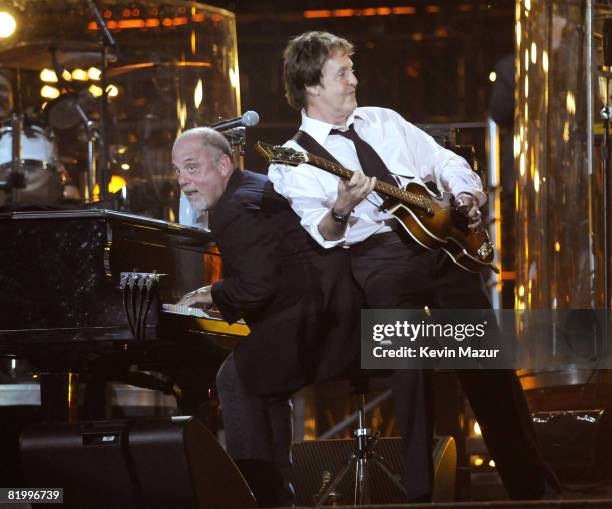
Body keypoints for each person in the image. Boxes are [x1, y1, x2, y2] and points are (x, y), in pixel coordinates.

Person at [267, 31, 561, 502]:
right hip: (377, 261)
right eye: (342, 73)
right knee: (411, 366)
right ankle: (421, 494)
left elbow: (444, 161)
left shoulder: (384, 120)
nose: (354, 79)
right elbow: (321, 233)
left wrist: (463, 194)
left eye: (352, 69)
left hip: (439, 247)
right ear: (311, 86)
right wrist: (342, 207)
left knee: (488, 362)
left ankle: (531, 486)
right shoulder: (293, 159)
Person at [173, 127, 361, 507]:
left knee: (236, 379)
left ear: (224, 164)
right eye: (177, 171)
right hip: (325, 307)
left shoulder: (232, 209)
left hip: (316, 317)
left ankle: (257, 492)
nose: (183, 181)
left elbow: (257, 286)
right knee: (263, 381)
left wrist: (214, 293)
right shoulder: (253, 186)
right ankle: (277, 491)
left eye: (192, 168)